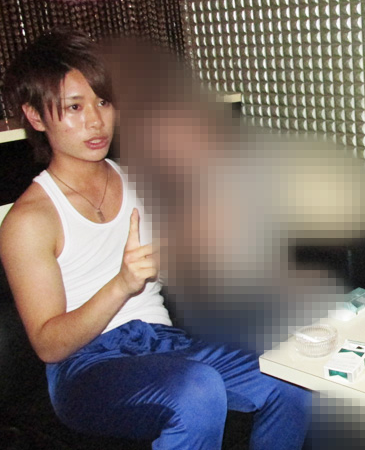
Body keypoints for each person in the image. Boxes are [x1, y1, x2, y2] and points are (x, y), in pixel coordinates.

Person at [0, 29, 310, 449]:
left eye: (103, 102)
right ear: (36, 117)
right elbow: (49, 345)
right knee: (197, 391)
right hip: (84, 368)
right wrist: (121, 285)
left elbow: (162, 266)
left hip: (161, 343)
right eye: (74, 106)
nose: (95, 120)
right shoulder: (30, 220)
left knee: (292, 378)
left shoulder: (135, 179)